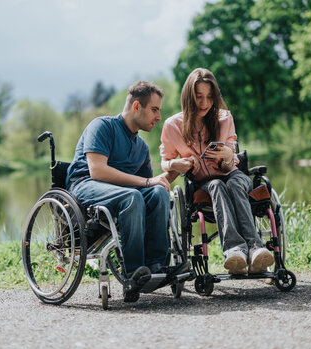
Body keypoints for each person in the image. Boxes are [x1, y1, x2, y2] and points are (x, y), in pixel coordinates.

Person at [66, 80, 177, 301]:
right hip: (85, 184)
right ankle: (133, 272)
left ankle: (156, 265)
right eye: (154, 110)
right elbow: (97, 170)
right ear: (137, 106)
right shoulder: (102, 126)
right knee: (133, 195)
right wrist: (146, 182)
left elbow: (151, 184)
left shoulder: (142, 147)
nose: (158, 117)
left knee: (159, 193)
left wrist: (174, 170)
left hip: (123, 192)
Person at [159, 68, 274, 274]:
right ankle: (235, 251)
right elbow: (165, 160)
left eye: (210, 97)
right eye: (199, 97)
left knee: (232, 182)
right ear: (188, 97)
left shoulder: (224, 118)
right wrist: (174, 165)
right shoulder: (173, 125)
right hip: (204, 183)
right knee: (216, 185)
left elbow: (232, 166)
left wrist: (228, 156)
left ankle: (255, 248)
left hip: (234, 175)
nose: (204, 103)